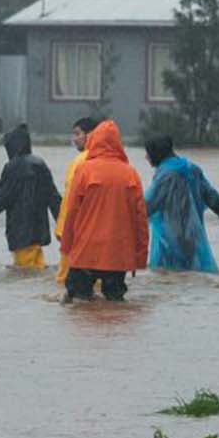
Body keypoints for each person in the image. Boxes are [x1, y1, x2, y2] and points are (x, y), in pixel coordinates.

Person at [59, 119, 148, 301]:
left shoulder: (84, 170)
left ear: (94, 140)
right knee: (115, 303)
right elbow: (140, 220)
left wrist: (67, 247)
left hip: (85, 252)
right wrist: (139, 257)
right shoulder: (130, 173)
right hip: (118, 255)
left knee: (78, 305)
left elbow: (72, 212)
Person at [0, 124, 61, 269]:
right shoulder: (40, 164)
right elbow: (54, 198)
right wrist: (64, 227)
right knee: (36, 271)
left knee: (24, 273)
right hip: (39, 233)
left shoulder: (13, 167)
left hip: (21, 234)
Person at [143, 135, 219, 273]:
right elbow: (210, 195)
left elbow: (146, 206)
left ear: (157, 153)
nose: (146, 157)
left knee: (167, 279)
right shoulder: (191, 168)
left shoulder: (165, 175)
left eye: (148, 153)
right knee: (193, 275)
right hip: (193, 237)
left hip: (170, 239)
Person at [54, 116, 100, 284]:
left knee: (65, 281)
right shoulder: (106, 159)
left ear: (90, 135)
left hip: (73, 233)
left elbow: (71, 203)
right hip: (91, 235)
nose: (74, 139)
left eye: (77, 134)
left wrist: (62, 231)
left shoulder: (80, 162)